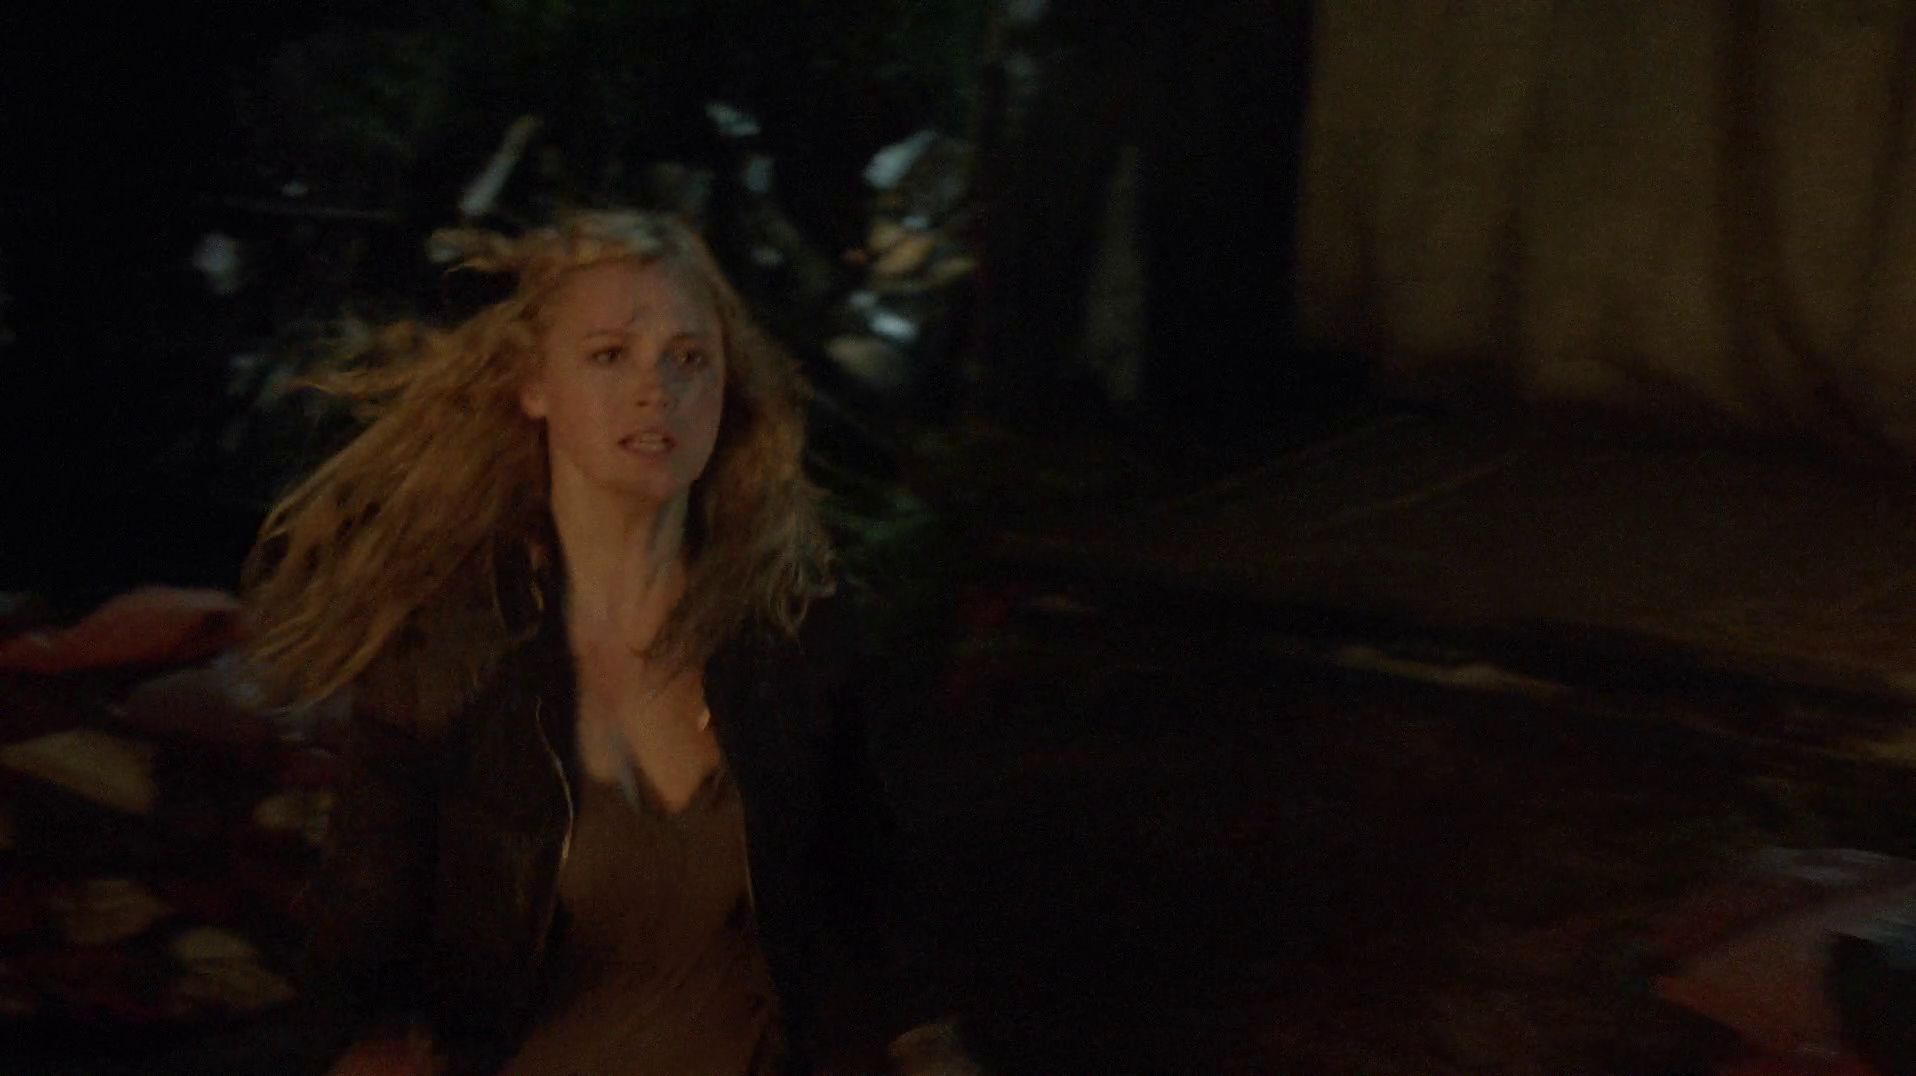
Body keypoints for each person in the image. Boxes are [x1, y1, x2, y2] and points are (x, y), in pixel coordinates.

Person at [241, 211, 977, 1076]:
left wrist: (927, 1042)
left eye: (689, 358)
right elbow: (360, 934)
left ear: (727, 390)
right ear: (534, 384)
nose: (655, 389)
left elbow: (872, 875)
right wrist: (368, 1043)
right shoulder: (450, 648)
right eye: (608, 355)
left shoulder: (788, 626)